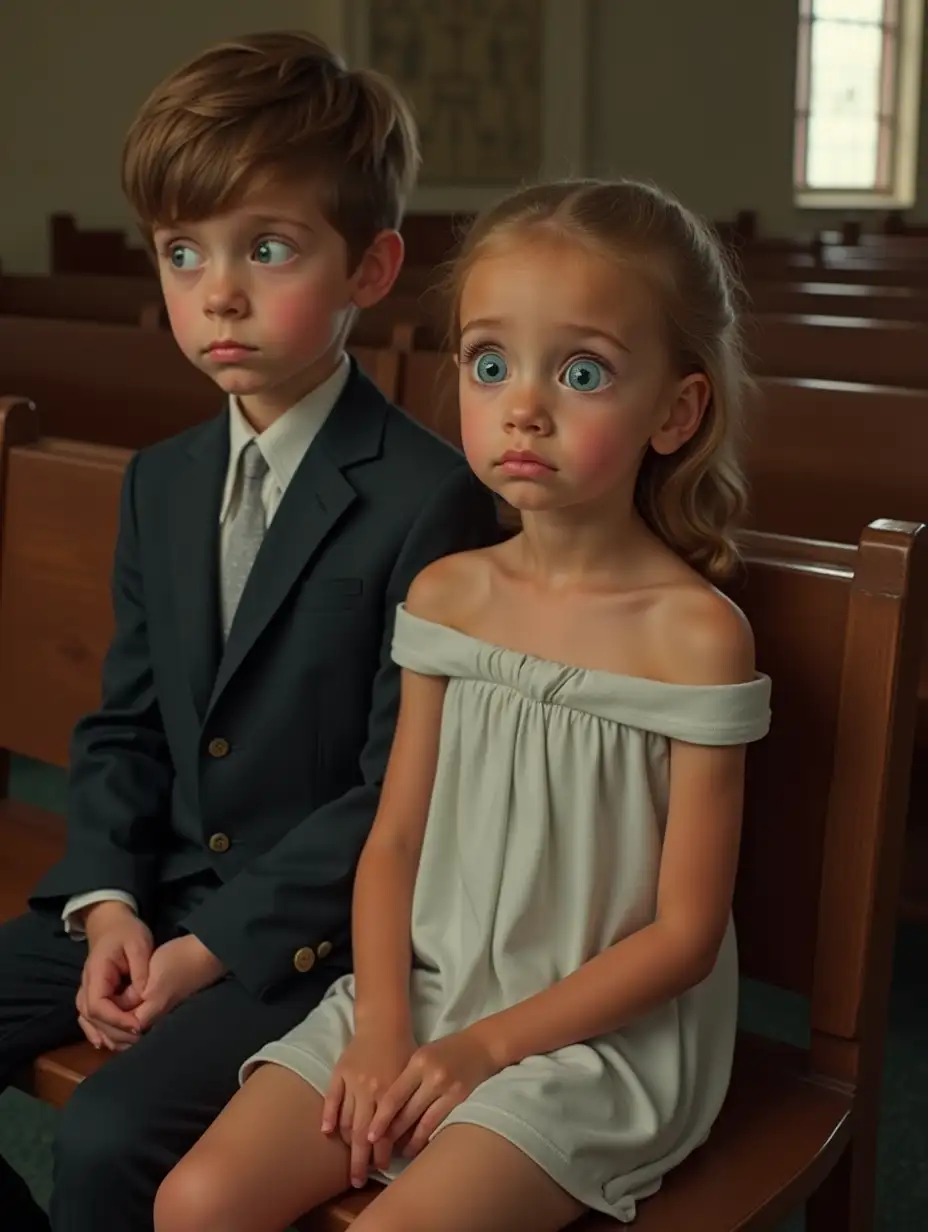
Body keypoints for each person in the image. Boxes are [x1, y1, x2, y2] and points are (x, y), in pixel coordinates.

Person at [154, 175, 773, 1232]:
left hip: (593, 1039)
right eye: (491, 364)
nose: (523, 404)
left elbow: (682, 934)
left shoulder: (694, 637)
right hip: (422, 989)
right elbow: (391, 841)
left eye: (581, 371)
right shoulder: (449, 592)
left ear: (675, 408)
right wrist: (386, 1023)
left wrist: (481, 1048)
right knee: (194, 1202)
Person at [0, 30, 502, 1232]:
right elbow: (123, 723)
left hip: (310, 938)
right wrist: (110, 903)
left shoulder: (430, 495)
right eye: (183, 252)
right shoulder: (162, 479)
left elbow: (398, 795)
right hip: (152, 896)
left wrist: (208, 946)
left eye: (266, 248)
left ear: (369, 268)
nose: (217, 290)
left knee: (114, 1134)